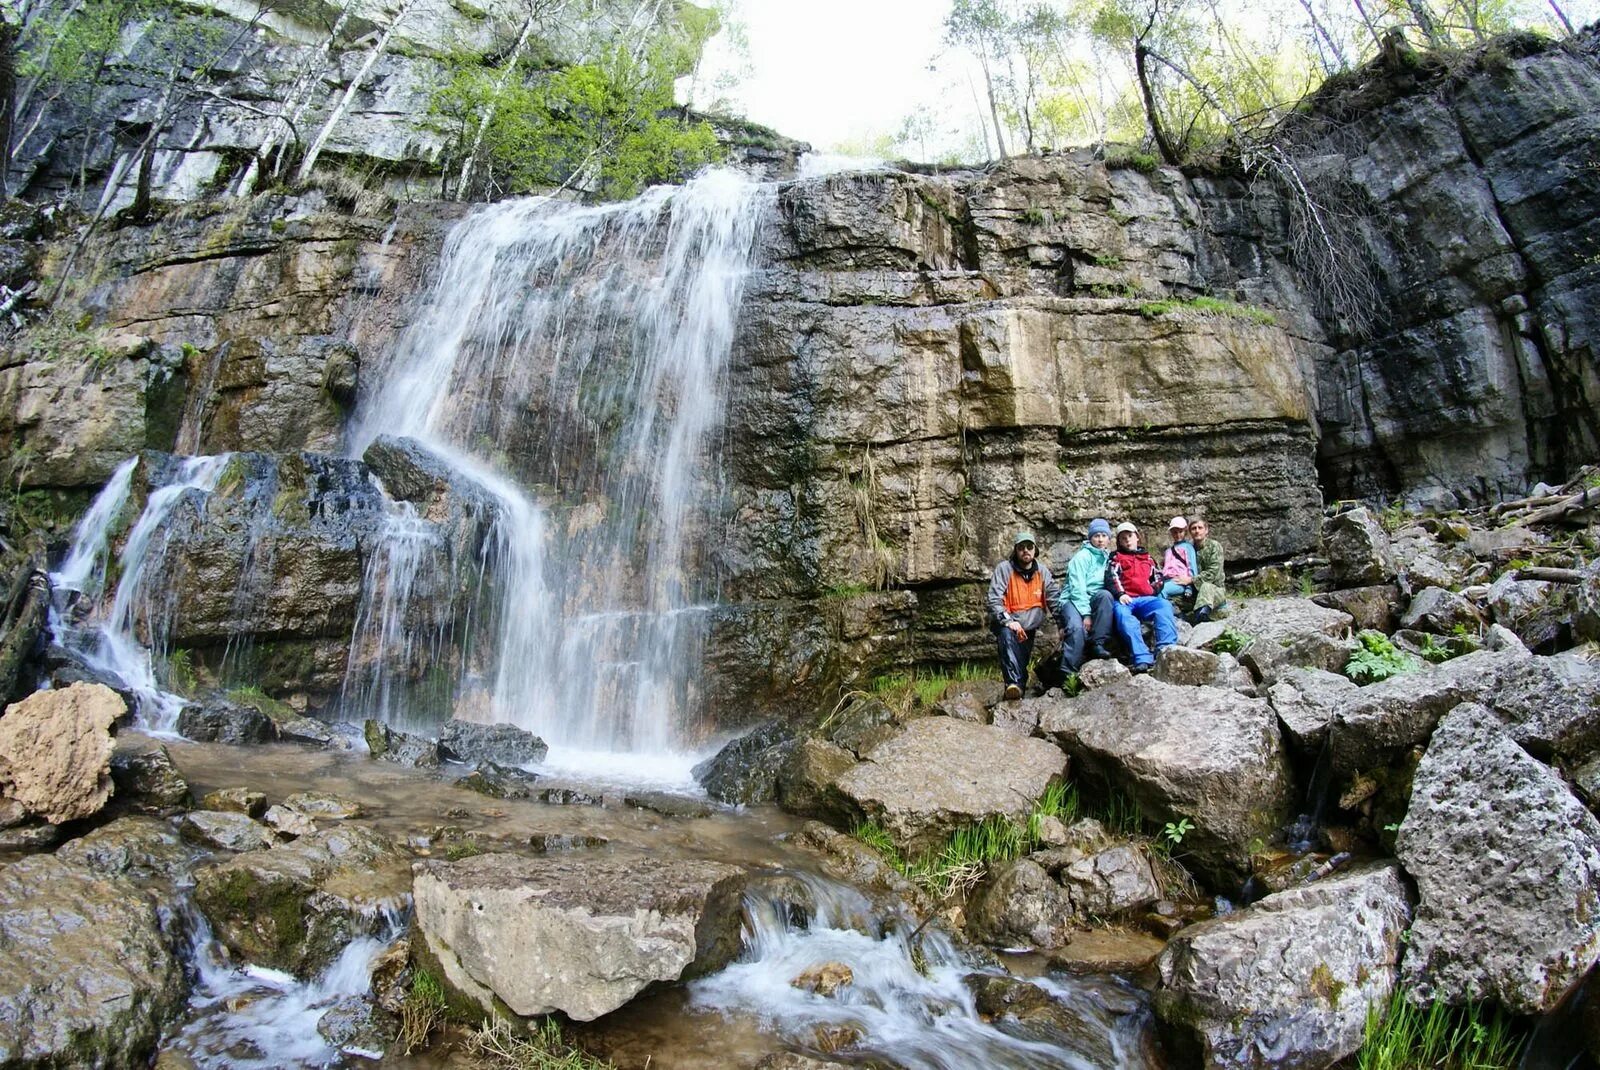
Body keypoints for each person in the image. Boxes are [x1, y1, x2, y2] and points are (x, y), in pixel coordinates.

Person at [986, 531, 1057, 700]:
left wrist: (1063, 625)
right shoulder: (1004, 569)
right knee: (1007, 640)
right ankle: (1013, 685)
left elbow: (1054, 598)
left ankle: (1019, 687)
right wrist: (1008, 621)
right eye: (1021, 547)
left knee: (1021, 663)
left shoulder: (1042, 572)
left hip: (1029, 627)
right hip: (1008, 624)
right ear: (1016, 551)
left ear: (1035, 550)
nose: (1026, 550)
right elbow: (994, 600)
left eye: (1029, 547)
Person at [1105, 521, 1179, 673]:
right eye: (1123, 538)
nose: (1127, 540)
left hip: (1146, 599)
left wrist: (1153, 590)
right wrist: (1121, 594)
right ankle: (1142, 658)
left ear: (1137, 537)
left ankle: (1165, 649)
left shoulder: (1148, 558)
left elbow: (1158, 577)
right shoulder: (1115, 558)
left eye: (1130, 536)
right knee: (1124, 617)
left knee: (1164, 605)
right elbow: (1111, 578)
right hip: (1126, 600)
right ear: (1119, 542)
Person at [1057, 518, 1118, 675]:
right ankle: (1067, 672)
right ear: (1090, 538)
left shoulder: (1108, 558)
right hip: (1073, 600)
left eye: (1104, 536)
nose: (1100, 539)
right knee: (1077, 629)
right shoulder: (1082, 557)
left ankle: (1098, 644)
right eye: (1096, 535)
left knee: (1106, 596)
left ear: (1108, 538)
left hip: (1093, 598)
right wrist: (1086, 615)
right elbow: (1077, 588)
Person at [1189, 516, 1227, 623]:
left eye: (1200, 528)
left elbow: (1213, 573)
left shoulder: (1215, 546)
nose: (1197, 531)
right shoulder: (1188, 549)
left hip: (1215, 590)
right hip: (1194, 592)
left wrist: (1191, 580)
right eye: (1193, 528)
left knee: (1206, 586)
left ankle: (1201, 615)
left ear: (1206, 530)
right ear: (1190, 532)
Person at [1160, 516, 1199, 603]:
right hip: (1167, 580)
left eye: (1180, 531)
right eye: (1175, 532)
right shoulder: (1168, 551)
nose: (1178, 535)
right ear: (1171, 533)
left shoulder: (1187, 547)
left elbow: (1191, 566)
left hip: (1180, 581)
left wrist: (1190, 585)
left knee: (1161, 591)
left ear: (1185, 531)